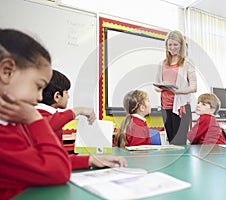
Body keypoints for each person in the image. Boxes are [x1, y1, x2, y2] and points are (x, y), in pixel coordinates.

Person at [0, 29, 126, 199]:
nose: (39, 98)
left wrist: (88, 160)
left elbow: (38, 159)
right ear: (7, 71)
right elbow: (57, 170)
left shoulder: (13, 123)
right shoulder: (9, 131)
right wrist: (35, 119)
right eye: (38, 86)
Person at [154, 30, 197, 145]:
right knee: (171, 142)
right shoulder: (161, 63)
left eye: (175, 45)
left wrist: (177, 91)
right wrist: (162, 87)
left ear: (181, 46)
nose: (172, 48)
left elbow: (193, 87)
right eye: (170, 45)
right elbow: (157, 86)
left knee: (180, 143)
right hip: (165, 107)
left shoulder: (187, 63)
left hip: (180, 108)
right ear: (166, 45)